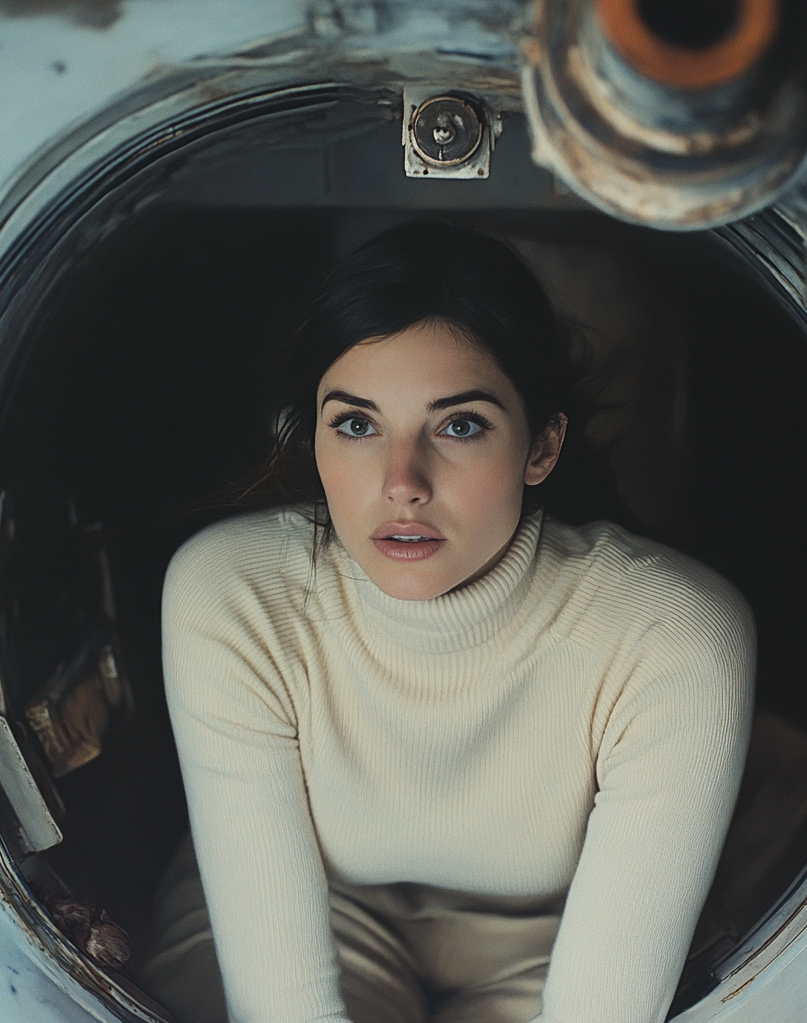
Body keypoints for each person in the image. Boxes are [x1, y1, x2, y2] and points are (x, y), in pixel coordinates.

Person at [143, 222, 756, 1023]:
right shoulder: (234, 591)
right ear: (312, 438)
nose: (403, 483)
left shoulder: (669, 632)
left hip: (556, 942)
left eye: (459, 425)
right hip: (306, 914)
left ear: (541, 447)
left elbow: (597, 1008)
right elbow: (281, 1007)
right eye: (357, 425)